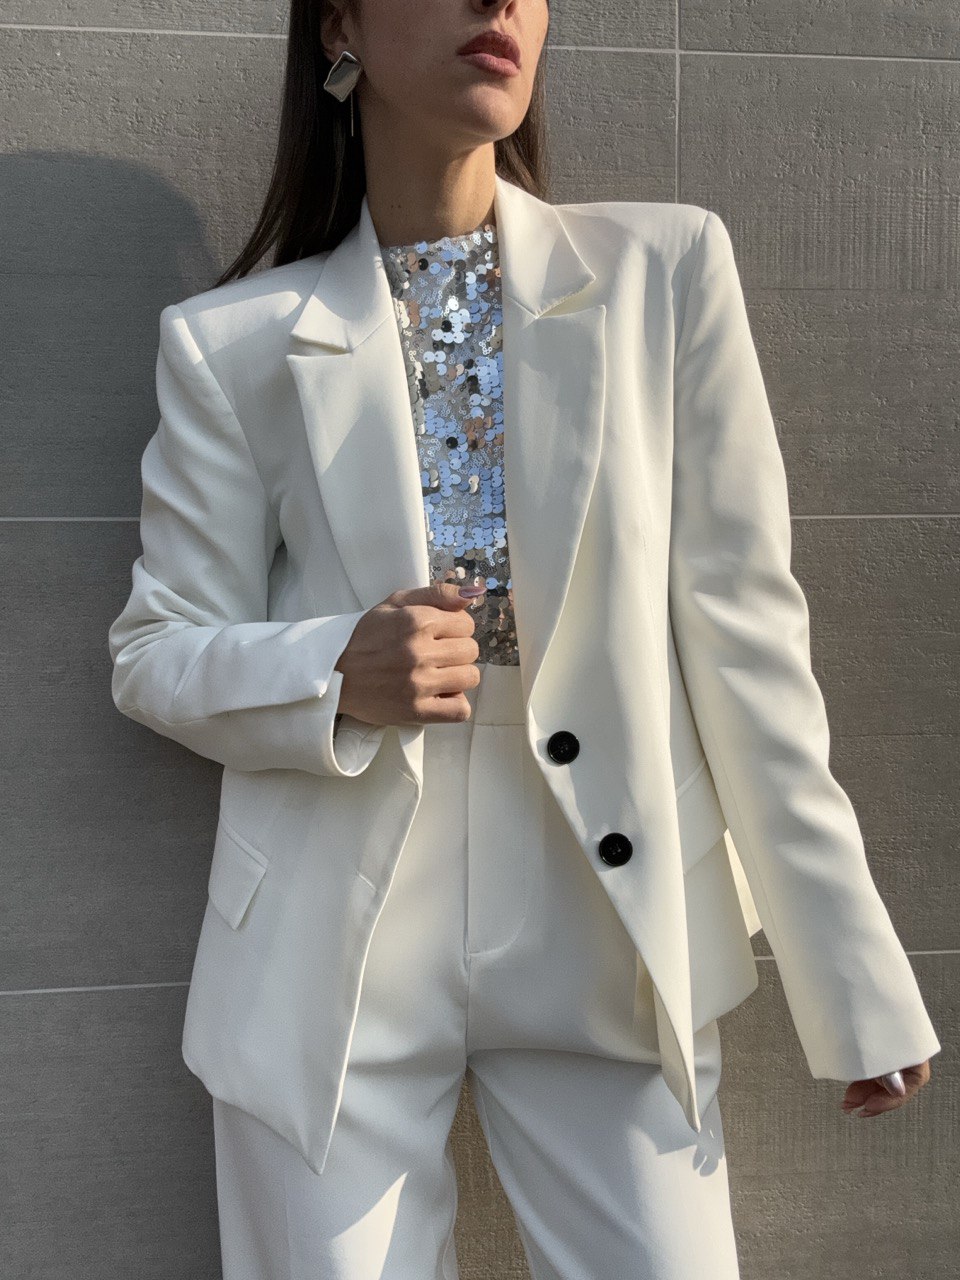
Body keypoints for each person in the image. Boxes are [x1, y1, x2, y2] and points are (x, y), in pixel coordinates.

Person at [107, 0, 941, 1276]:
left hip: (606, 923)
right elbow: (156, 646)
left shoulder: (664, 272)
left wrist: (852, 976)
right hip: (328, 958)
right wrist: (334, 669)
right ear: (340, 23)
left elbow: (751, 645)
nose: (499, 1)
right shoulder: (233, 343)